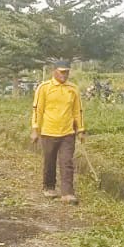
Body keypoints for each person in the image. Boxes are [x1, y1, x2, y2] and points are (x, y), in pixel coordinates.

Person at [30, 60, 85, 204]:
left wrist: (80, 129)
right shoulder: (44, 88)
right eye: (62, 72)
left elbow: (77, 111)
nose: (64, 75)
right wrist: (35, 129)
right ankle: (49, 186)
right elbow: (38, 110)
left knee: (67, 162)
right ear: (54, 71)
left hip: (67, 132)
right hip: (48, 131)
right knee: (49, 161)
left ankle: (67, 193)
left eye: (67, 72)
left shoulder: (73, 89)